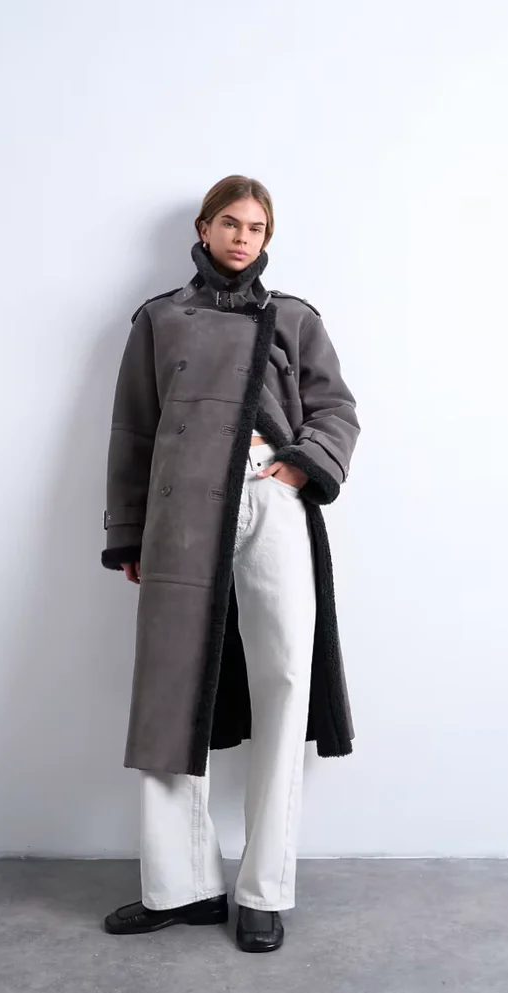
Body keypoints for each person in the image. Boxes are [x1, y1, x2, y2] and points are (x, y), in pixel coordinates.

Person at [101, 175, 360, 952]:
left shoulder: (293, 317)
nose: (244, 238)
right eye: (231, 224)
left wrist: (299, 466)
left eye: (257, 227)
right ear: (204, 228)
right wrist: (130, 534)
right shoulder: (158, 319)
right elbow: (133, 431)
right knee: (171, 687)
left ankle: (264, 889)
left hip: (271, 498)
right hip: (182, 512)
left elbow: (337, 409)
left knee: (285, 678)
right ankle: (180, 887)